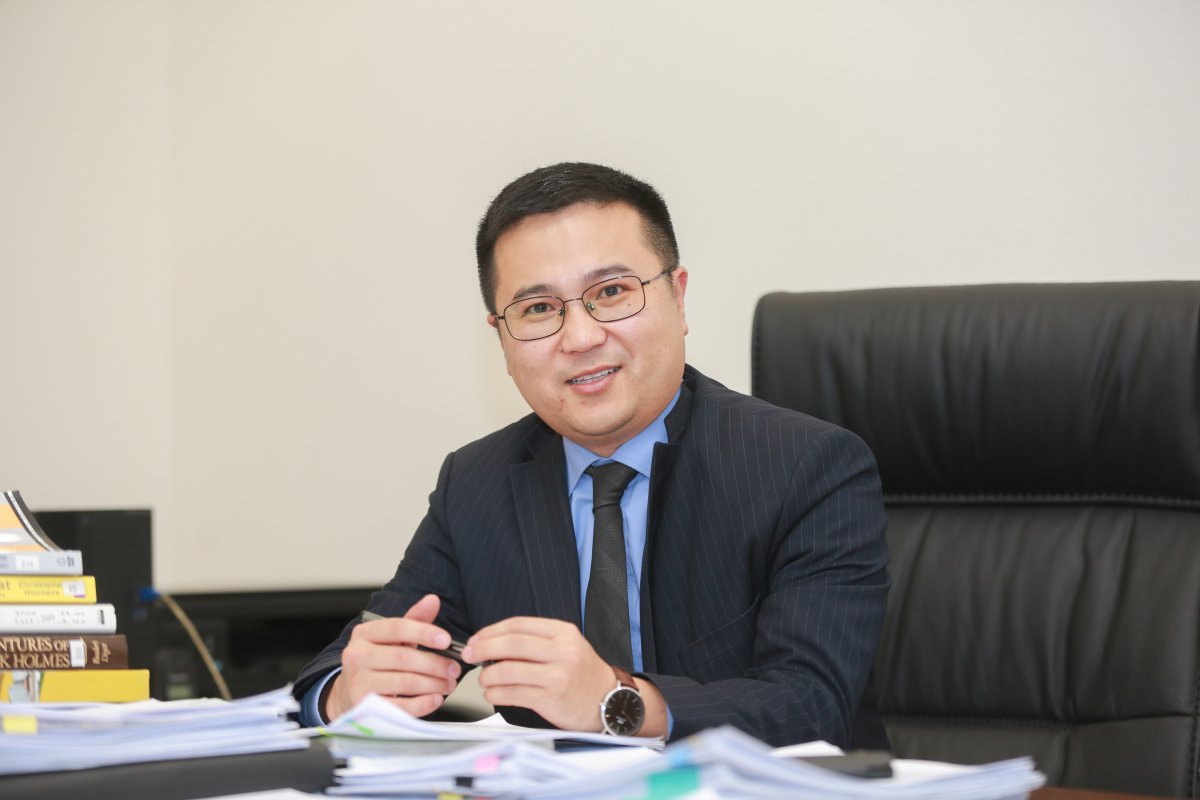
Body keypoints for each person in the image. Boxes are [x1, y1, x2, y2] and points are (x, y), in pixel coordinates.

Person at [293, 162, 889, 747]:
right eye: (537, 309)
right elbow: (350, 660)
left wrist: (614, 700)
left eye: (611, 292)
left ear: (678, 298)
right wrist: (344, 695)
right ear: (501, 338)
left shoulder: (806, 467)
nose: (580, 337)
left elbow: (813, 705)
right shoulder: (477, 483)